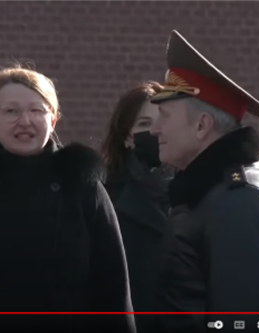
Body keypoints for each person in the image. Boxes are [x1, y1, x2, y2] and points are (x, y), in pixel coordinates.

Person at [0, 66, 136, 333]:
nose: (25, 121)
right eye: (11, 111)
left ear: (53, 120)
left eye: (36, 110)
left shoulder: (80, 183)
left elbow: (113, 287)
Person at [148, 30, 259, 333]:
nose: (154, 128)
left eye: (164, 115)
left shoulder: (239, 201)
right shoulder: (217, 191)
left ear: (202, 126)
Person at [100, 81, 173, 333]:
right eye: (144, 124)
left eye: (162, 121)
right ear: (126, 138)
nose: (155, 131)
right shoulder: (105, 197)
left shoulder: (199, 192)